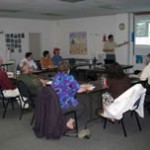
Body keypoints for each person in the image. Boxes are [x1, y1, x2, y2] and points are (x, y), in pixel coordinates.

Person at [51, 61, 89, 129]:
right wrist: (86, 87)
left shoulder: (56, 76)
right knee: (82, 106)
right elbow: (79, 90)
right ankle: (70, 122)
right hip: (64, 104)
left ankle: (66, 117)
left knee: (74, 102)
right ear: (68, 69)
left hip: (55, 103)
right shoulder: (69, 78)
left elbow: (65, 86)